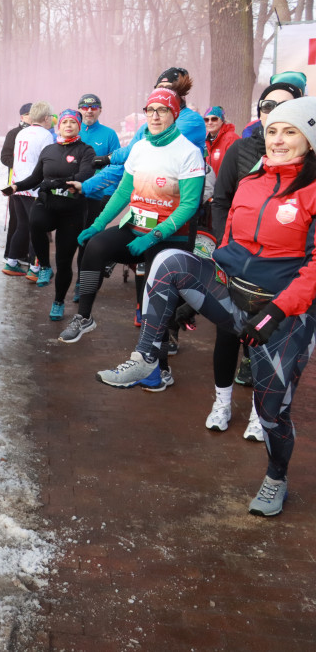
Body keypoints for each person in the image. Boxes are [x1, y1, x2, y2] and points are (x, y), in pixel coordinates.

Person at [96, 97, 316, 517]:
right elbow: (229, 246)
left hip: (285, 315)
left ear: (310, 139)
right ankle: (147, 358)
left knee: (273, 412)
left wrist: (278, 310)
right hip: (235, 293)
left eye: (290, 131)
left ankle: (275, 477)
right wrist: (194, 294)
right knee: (169, 261)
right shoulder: (251, 182)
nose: (278, 139)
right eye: (272, 131)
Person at [62, 86, 205, 381]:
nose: (154, 116)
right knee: (96, 246)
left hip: (168, 236)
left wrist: (154, 236)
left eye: (162, 110)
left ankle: (160, 369)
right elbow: (124, 191)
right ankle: (85, 316)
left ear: (174, 115)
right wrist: (99, 224)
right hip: (134, 225)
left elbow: (190, 204)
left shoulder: (188, 152)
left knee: (156, 299)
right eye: (150, 110)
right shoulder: (140, 147)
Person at [203, 80, 304, 438]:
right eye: (266, 109)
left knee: (263, 345)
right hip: (236, 265)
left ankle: (260, 415)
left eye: (284, 109)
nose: (272, 116)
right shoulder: (242, 151)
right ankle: (222, 401)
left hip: (280, 281)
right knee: (227, 336)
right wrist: (221, 253)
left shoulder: (309, 168)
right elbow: (222, 201)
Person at [2, 109, 95, 321]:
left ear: (78, 126)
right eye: (65, 122)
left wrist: (62, 183)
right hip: (48, 202)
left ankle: (59, 301)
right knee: (34, 221)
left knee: (64, 261)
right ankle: (44, 266)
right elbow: (35, 178)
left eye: (73, 122)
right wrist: (16, 186)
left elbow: (85, 174)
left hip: (72, 210)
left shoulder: (85, 150)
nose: (69, 125)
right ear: (59, 126)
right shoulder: (49, 150)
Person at [75, 94, 122, 299]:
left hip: (99, 195)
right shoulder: (74, 132)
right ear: (80, 111)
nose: (89, 110)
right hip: (76, 194)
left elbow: (118, 164)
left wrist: (109, 194)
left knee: (90, 242)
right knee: (75, 239)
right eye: (85, 107)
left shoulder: (109, 134)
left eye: (94, 107)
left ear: (100, 110)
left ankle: (82, 285)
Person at [4, 102, 55, 280]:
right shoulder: (45, 135)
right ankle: (36, 268)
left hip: (18, 185)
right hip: (33, 187)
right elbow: (47, 161)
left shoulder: (22, 133)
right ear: (46, 117)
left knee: (22, 225)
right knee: (37, 229)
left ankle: (11, 262)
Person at [0, 103, 32, 274]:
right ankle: (11, 255)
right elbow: (4, 157)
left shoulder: (37, 132)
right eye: (28, 114)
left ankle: (24, 253)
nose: (31, 116)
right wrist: (20, 164)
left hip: (32, 184)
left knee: (28, 220)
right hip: (15, 183)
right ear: (22, 116)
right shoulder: (14, 133)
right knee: (17, 220)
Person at [203, 106, 239, 177]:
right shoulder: (204, 140)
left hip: (225, 185)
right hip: (210, 185)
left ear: (222, 120)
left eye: (214, 119)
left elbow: (236, 167)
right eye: (206, 120)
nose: (210, 122)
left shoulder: (231, 139)